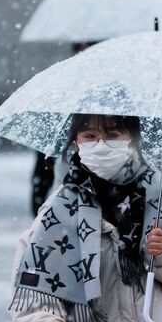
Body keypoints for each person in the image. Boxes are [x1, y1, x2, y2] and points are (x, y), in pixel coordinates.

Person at [10, 114, 162, 322]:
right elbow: (32, 297)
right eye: (90, 136)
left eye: (112, 134)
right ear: (76, 143)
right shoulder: (58, 210)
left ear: (132, 139)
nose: (101, 144)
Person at [30, 42, 99, 217]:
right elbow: (45, 158)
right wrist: (39, 202)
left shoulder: (115, 93)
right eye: (80, 47)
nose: (84, 51)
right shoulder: (63, 90)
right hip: (67, 185)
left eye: (90, 46)